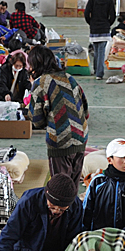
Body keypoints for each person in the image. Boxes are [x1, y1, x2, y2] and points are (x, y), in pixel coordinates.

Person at [0, 173, 83, 251]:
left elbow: (74, 241)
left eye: (62, 209)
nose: (56, 211)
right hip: (26, 250)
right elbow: (7, 237)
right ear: (47, 195)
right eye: (52, 206)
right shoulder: (29, 201)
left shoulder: (76, 206)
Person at [28, 46, 89, 186]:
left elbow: (37, 120)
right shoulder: (69, 78)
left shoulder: (40, 83)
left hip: (60, 140)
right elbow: (85, 111)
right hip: (81, 136)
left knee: (60, 187)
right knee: (73, 185)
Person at [81, 138, 125, 239]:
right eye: (122, 157)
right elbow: (85, 212)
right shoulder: (98, 182)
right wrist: (87, 236)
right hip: (97, 239)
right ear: (110, 160)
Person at [85, 0, 116, 80]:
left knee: (96, 50)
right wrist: (108, 24)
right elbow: (113, 15)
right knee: (101, 51)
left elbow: (86, 13)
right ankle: (99, 73)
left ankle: (96, 70)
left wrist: (91, 22)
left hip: (94, 28)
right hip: (104, 28)